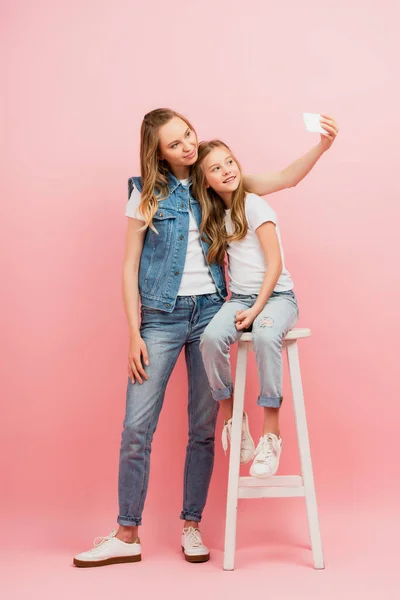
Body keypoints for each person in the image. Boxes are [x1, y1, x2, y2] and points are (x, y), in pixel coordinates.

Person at [73, 109, 338, 567]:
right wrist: (133, 330)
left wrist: (321, 147)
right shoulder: (144, 194)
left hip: (211, 311)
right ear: (156, 153)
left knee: (201, 429)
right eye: (175, 144)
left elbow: (283, 178)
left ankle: (191, 526)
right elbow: (128, 264)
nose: (187, 147)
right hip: (159, 318)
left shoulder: (212, 179)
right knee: (137, 427)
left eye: (188, 135)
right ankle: (127, 532)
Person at [195, 132, 336, 478]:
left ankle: (271, 434)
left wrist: (258, 310)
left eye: (229, 161)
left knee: (265, 335)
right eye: (216, 168)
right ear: (205, 182)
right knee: (210, 339)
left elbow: (274, 264)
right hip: (241, 299)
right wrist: (247, 306)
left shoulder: (254, 203)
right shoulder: (216, 214)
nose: (227, 170)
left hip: (277, 298)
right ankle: (233, 416)